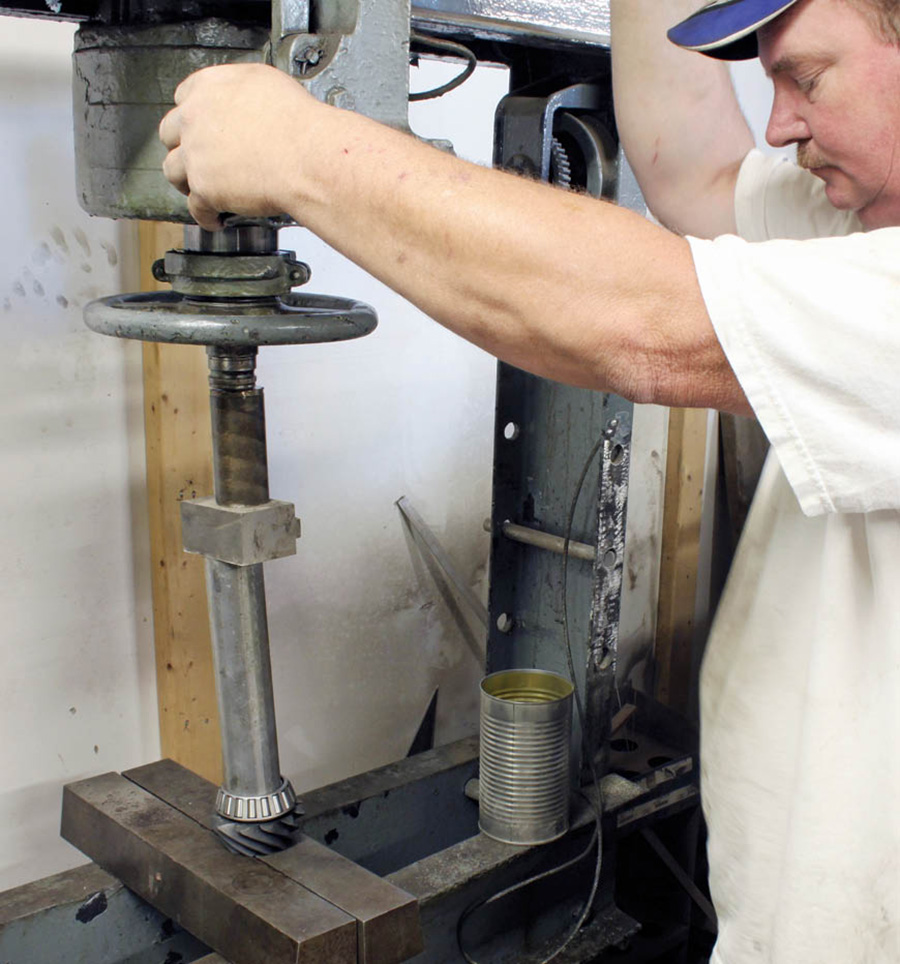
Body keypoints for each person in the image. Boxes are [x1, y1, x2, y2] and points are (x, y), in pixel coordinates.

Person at [159, 0, 900, 960]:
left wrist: (297, 150)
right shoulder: (856, 226)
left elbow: (643, 321)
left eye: (805, 76)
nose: (780, 122)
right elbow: (693, 164)